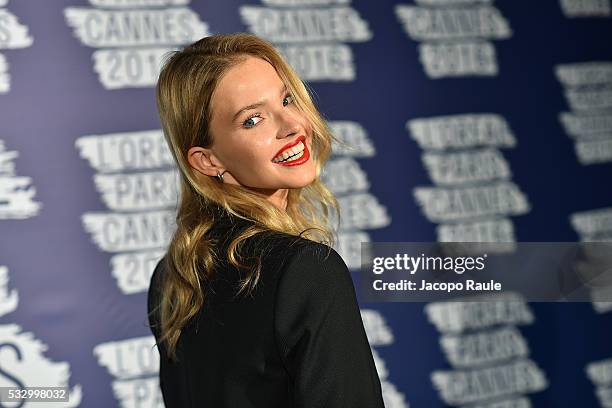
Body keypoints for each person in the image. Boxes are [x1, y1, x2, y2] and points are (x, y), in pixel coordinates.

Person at [147, 32, 385, 407]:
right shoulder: (306, 271)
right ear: (208, 161)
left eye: (287, 99)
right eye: (253, 119)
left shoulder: (172, 275)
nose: (292, 125)